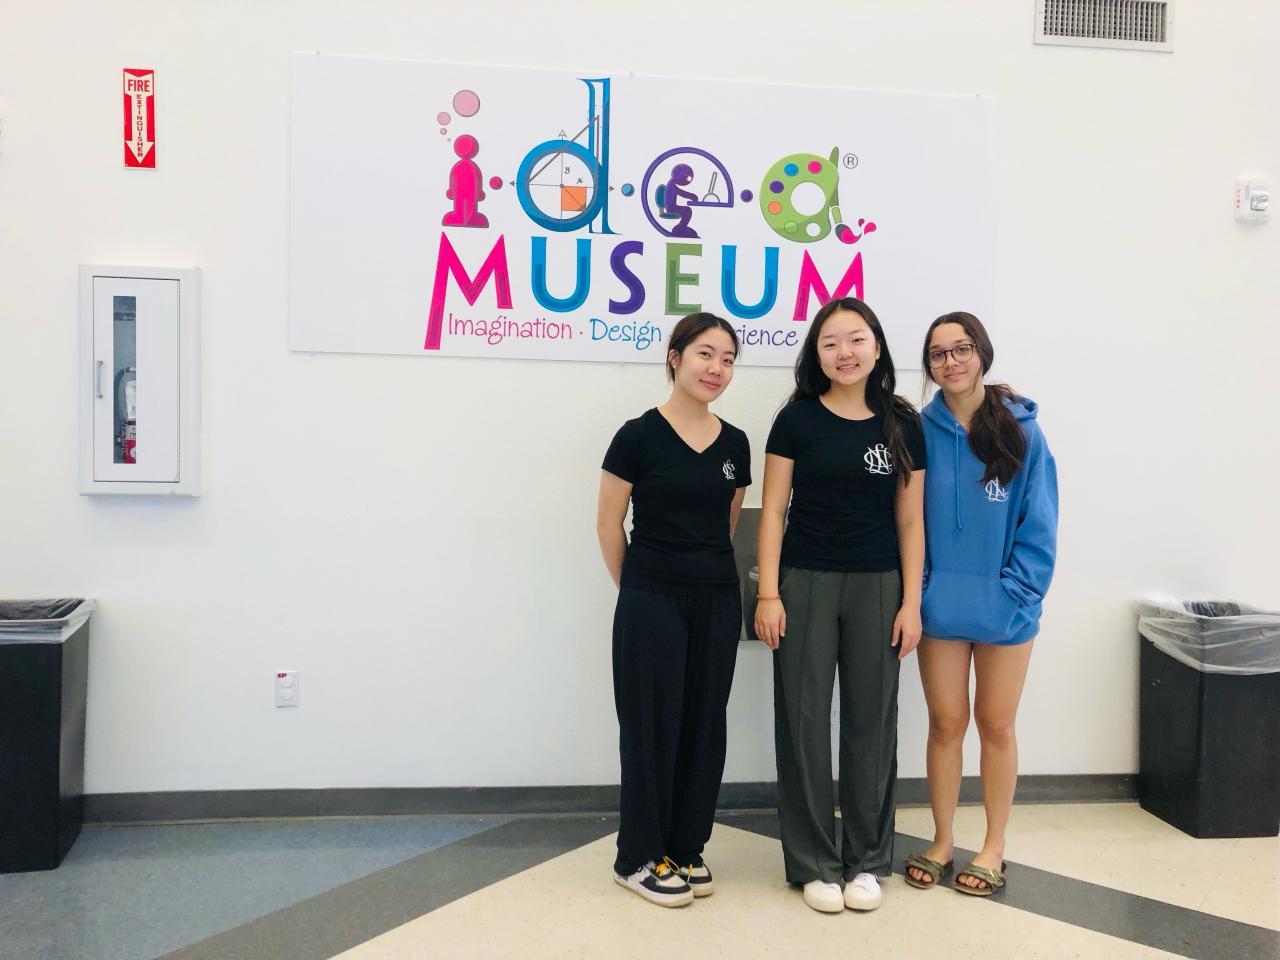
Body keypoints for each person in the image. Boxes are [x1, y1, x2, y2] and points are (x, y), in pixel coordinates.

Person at [754, 297, 925, 913]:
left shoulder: (902, 423)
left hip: (879, 585)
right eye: (830, 342)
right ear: (816, 354)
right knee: (802, 720)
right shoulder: (796, 420)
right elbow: (773, 511)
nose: (844, 352)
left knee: (871, 722)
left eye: (855, 339)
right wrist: (769, 593)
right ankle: (814, 863)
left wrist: (911, 602)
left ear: (877, 347)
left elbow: (911, 521)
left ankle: (867, 860)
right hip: (805, 582)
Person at [597, 312, 751, 907]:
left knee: (705, 725)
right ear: (675, 357)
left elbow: (726, 524)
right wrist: (640, 588)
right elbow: (609, 524)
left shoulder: (735, 443)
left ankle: (686, 847)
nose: (717, 368)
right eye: (706, 354)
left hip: (716, 599)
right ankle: (637, 856)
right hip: (651, 598)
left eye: (728, 359)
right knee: (650, 725)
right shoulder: (637, 436)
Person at [903, 311, 1058, 897]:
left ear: (982, 354)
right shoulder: (918, 432)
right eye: (938, 353)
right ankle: (943, 840)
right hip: (940, 609)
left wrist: (1017, 591)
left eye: (961, 348)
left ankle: (993, 847)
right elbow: (907, 519)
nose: (951, 361)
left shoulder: (1022, 431)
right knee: (946, 724)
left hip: (1006, 610)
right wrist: (921, 592)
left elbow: (1039, 522)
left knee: (996, 724)